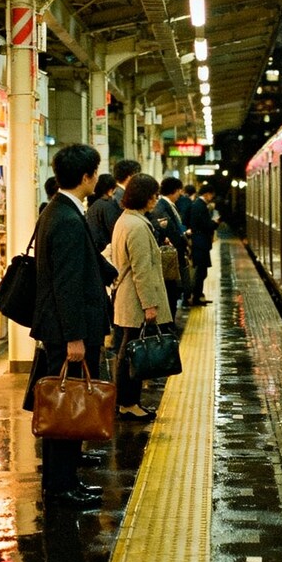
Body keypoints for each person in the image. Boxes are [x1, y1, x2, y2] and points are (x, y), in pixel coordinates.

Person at [27, 143, 114, 508]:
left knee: (66, 404)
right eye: (95, 172)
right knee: (65, 406)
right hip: (70, 331)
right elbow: (67, 283)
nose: (96, 178)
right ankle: (61, 487)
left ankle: (64, 479)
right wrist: (75, 337)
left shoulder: (58, 210)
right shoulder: (65, 218)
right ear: (86, 176)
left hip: (64, 327)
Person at [110, 173, 170, 422]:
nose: (156, 199)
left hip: (128, 296)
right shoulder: (136, 226)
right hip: (135, 299)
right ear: (144, 196)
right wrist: (149, 305)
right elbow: (141, 270)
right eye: (154, 195)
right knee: (132, 353)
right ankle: (128, 403)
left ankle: (127, 402)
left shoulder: (126, 220)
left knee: (128, 350)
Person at [153, 175, 190, 320]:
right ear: (175, 190)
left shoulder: (168, 205)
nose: (180, 194)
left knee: (175, 290)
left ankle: (170, 322)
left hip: (176, 255)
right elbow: (169, 231)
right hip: (170, 257)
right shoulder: (162, 207)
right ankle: (169, 323)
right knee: (171, 291)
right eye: (180, 190)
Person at [187, 183, 217, 305]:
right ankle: (196, 297)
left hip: (200, 242)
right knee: (201, 271)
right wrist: (215, 223)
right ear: (207, 194)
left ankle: (198, 295)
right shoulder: (200, 205)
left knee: (201, 271)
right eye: (211, 195)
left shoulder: (198, 204)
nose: (212, 197)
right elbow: (205, 225)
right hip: (201, 242)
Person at [85, 171, 119, 252]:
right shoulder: (107, 206)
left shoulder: (94, 205)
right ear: (110, 190)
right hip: (106, 248)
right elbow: (114, 230)